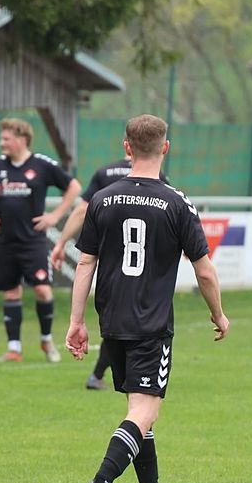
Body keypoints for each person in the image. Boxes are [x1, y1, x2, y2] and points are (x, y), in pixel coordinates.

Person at [65, 114, 230, 483]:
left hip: (113, 321)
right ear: (165, 148)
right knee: (144, 410)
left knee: (140, 411)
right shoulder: (177, 202)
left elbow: (85, 263)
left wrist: (76, 322)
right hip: (151, 325)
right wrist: (219, 315)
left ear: (126, 148)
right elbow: (204, 269)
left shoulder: (103, 198)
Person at [0, 117, 81, 363]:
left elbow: (73, 187)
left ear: (21, 139)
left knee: (42, 290)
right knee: (10, 293)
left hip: (34, 242)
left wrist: (54, 216)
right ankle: (14, 349)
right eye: (2, 138)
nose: (2, 143)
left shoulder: (41, 165)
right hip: (5, 242)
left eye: (6, 139)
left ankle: (46, 339)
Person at [52, 153, 168, 390]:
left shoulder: (104, 173)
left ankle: (101, 377)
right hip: (145, 281)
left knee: (117, 328)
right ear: (161, 148)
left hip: (111, 275)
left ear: (127, 145)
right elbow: (170, 215)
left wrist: (61, 242)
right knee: (135, 336)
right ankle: (121, 386)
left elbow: (81, 211)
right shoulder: (158, 177)